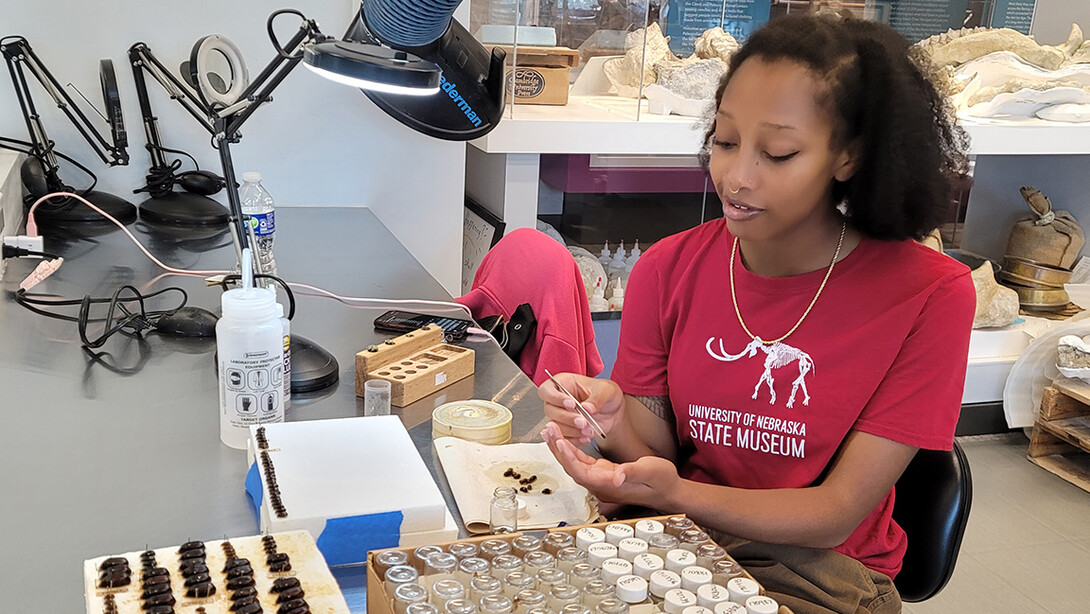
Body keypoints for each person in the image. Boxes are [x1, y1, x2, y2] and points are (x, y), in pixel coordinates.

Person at [539, 13, 974, 614]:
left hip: (817, 572)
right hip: (676, 538)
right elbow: (658, 453)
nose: (736, 177)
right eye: (724, 141)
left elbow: (834, 514)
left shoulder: (930, 294)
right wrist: (612, 422)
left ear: (848, 157)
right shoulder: (668, 269)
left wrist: (679, 495)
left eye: (778, 152)